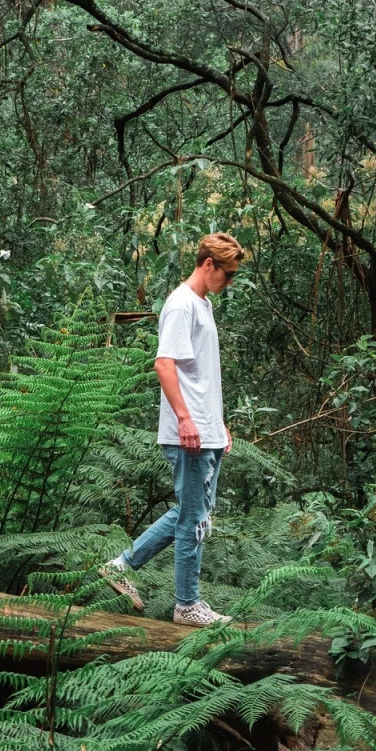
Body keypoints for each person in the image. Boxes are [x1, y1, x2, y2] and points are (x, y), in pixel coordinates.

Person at [100, 231, 244, 626]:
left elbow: (202, 375)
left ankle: (121, 565)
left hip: (206, 428)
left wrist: (219, 423)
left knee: (193, 513)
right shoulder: (181, 304)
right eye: (227, 274)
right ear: (208, 264)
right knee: (194, 518)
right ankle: (187, 604)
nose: (228, 283)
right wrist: (185, 419)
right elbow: (165, 365)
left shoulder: (203, 304)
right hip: (190, 432)